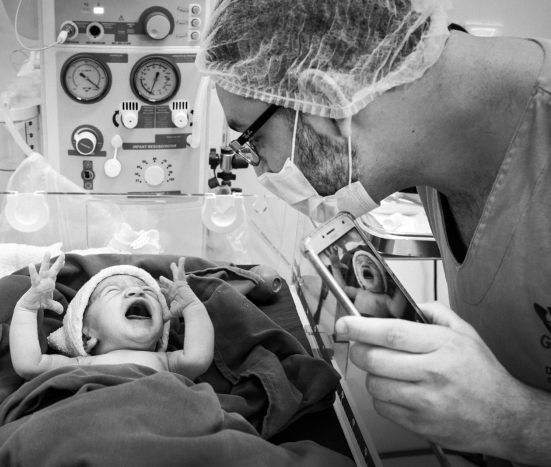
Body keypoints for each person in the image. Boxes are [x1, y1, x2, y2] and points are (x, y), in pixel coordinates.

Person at [196, 0, 551, 464]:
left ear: (325, 103)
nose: (259, 167)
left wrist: (516, 421)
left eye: (252, 142)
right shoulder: (432, 142)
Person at [10, 254, 214, 382]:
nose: (136, 292)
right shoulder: (80, 364)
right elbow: (29, 365)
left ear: (161, 334)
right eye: (113, 290)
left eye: (148, 291)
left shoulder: (167, 362)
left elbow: (198, 357)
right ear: (86, 334)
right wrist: (27, 308)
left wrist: (192, 306)